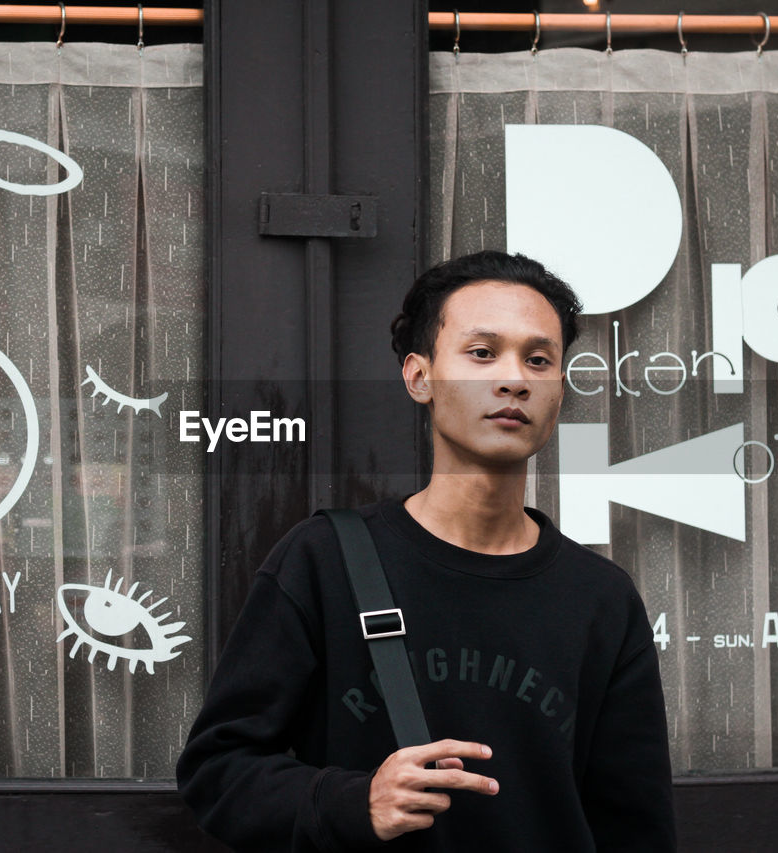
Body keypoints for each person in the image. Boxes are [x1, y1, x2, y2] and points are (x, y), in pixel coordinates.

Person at [176, 250, 676, 851]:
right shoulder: (324, 560)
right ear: (420, 377)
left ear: (559, 392)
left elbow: (635, 825)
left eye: (538, 360)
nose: (514, 378)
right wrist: (352, 801)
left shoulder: (600, 597)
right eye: (482, 353)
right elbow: (218, 769)